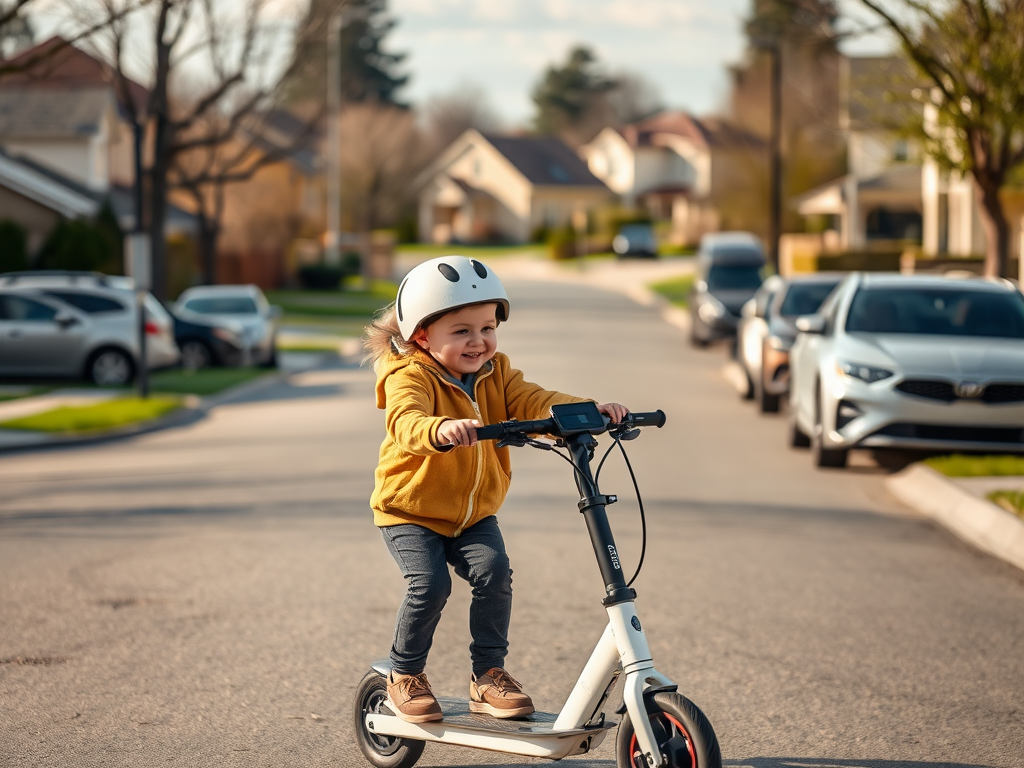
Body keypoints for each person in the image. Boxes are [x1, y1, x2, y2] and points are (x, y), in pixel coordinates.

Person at [363, 255, 627, 724]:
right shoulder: (411, 376)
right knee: (430, 584)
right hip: (411, 510)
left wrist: (588, 410)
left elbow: (534, 399)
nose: (479, 340)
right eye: (461, 330)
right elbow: (406, 419)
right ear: (422, 335)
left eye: (487, 327)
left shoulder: (496, 371)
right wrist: (438, 429)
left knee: (495, 575)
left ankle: (487, 676)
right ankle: (404, 673)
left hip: (472, 516)